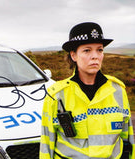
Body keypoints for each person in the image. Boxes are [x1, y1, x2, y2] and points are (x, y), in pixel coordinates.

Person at [40, 22, 134, 159]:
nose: (95, 56)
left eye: (99, 50)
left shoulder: (118, 90)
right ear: (73, 56)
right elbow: (46, 147)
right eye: (87, 50)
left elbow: (128, 140)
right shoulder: (56, 96)